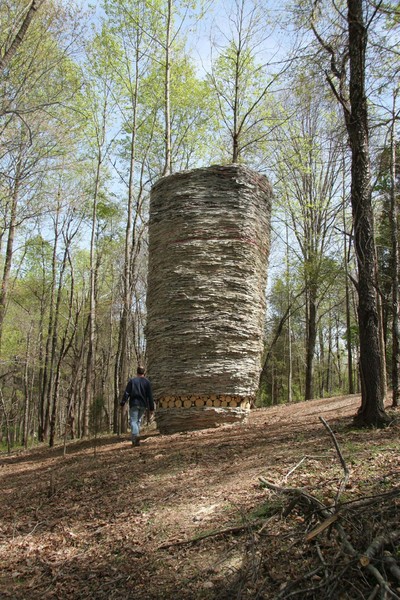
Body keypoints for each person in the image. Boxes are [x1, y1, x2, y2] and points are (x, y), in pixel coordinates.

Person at [120, 366, 155, 446]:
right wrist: (151, 408)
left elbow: (126, 393)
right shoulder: (147, 382)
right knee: (137, 421)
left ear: (137, 372)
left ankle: (136, 436)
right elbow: (150, 396)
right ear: (144, 372)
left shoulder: (132, 381)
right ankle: (135, 441)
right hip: (143, 405)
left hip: (134, 404)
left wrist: (122, 403)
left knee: (133, 421)